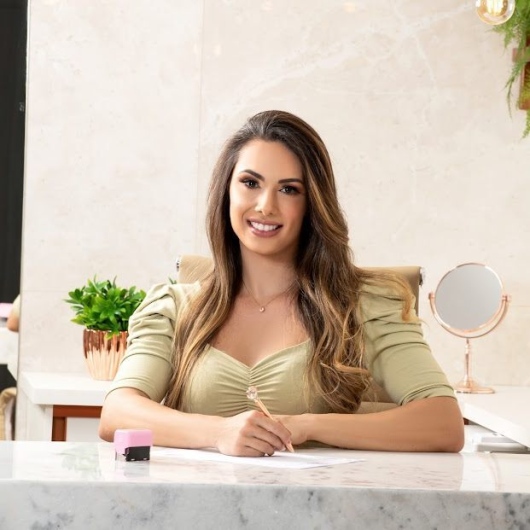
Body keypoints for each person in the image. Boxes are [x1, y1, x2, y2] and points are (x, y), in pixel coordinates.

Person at [99, 110, 464, 456]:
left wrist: (305, 426)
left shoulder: (365, 304)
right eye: (250, 183)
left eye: (289, 189)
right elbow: (117, 413)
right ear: (227, 191)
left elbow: (443, 423)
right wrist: (219, 432)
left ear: (312, 204)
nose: (265, 205)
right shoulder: (173, 308)